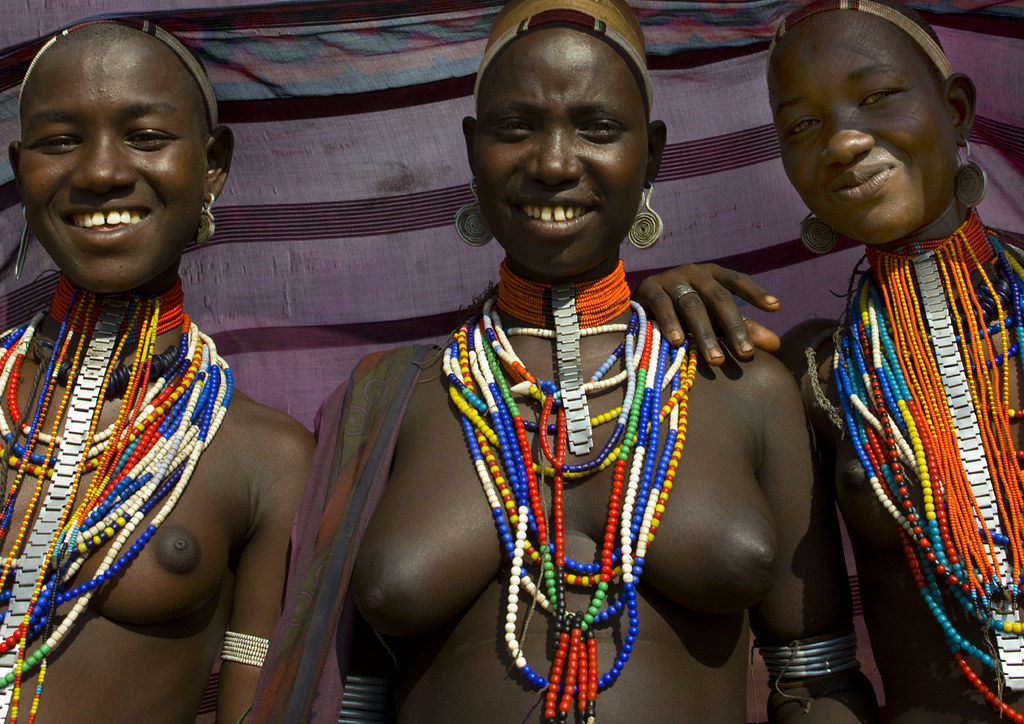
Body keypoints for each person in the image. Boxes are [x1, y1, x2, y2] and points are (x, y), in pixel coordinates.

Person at [251, 1, 876, 722]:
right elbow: (345, 706)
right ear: (471, 150)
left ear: (654, 155)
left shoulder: (742, 383)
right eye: (516, 127)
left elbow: (817, 684)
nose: (552, 162)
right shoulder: (393, 403)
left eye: (598, 129)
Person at [638, 1, 1024, 721]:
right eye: (802, 126)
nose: (844, 142)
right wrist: (640, 299)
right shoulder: (820, 374)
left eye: (877, 98)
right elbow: (816, 671)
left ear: (958, 109)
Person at [2, 20, 312, 723]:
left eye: (145, 136)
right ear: (21, 169)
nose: (101, 172)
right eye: (59, 141)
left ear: (212, 164)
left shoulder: (264, 457)